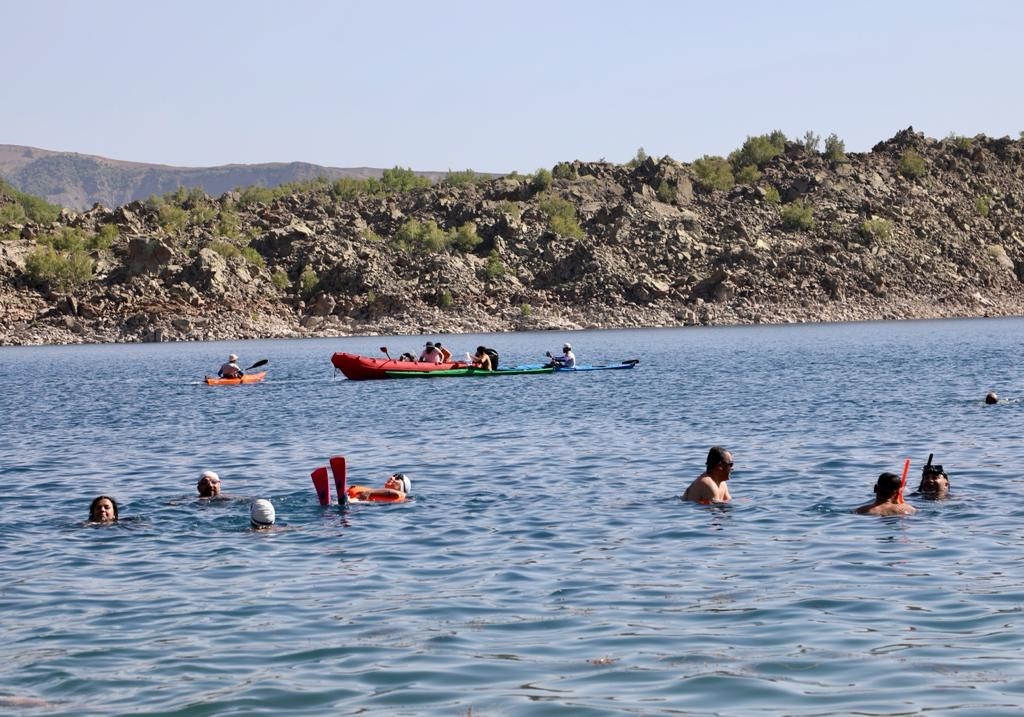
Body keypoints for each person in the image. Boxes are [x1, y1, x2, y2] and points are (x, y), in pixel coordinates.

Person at [347, 473, 411, 502]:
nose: (392, 477)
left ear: (403, 488)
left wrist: (369, 492)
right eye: (393, 475)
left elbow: (396, 494)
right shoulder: (379, 493)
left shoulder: (401, 495)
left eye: (397, 478)